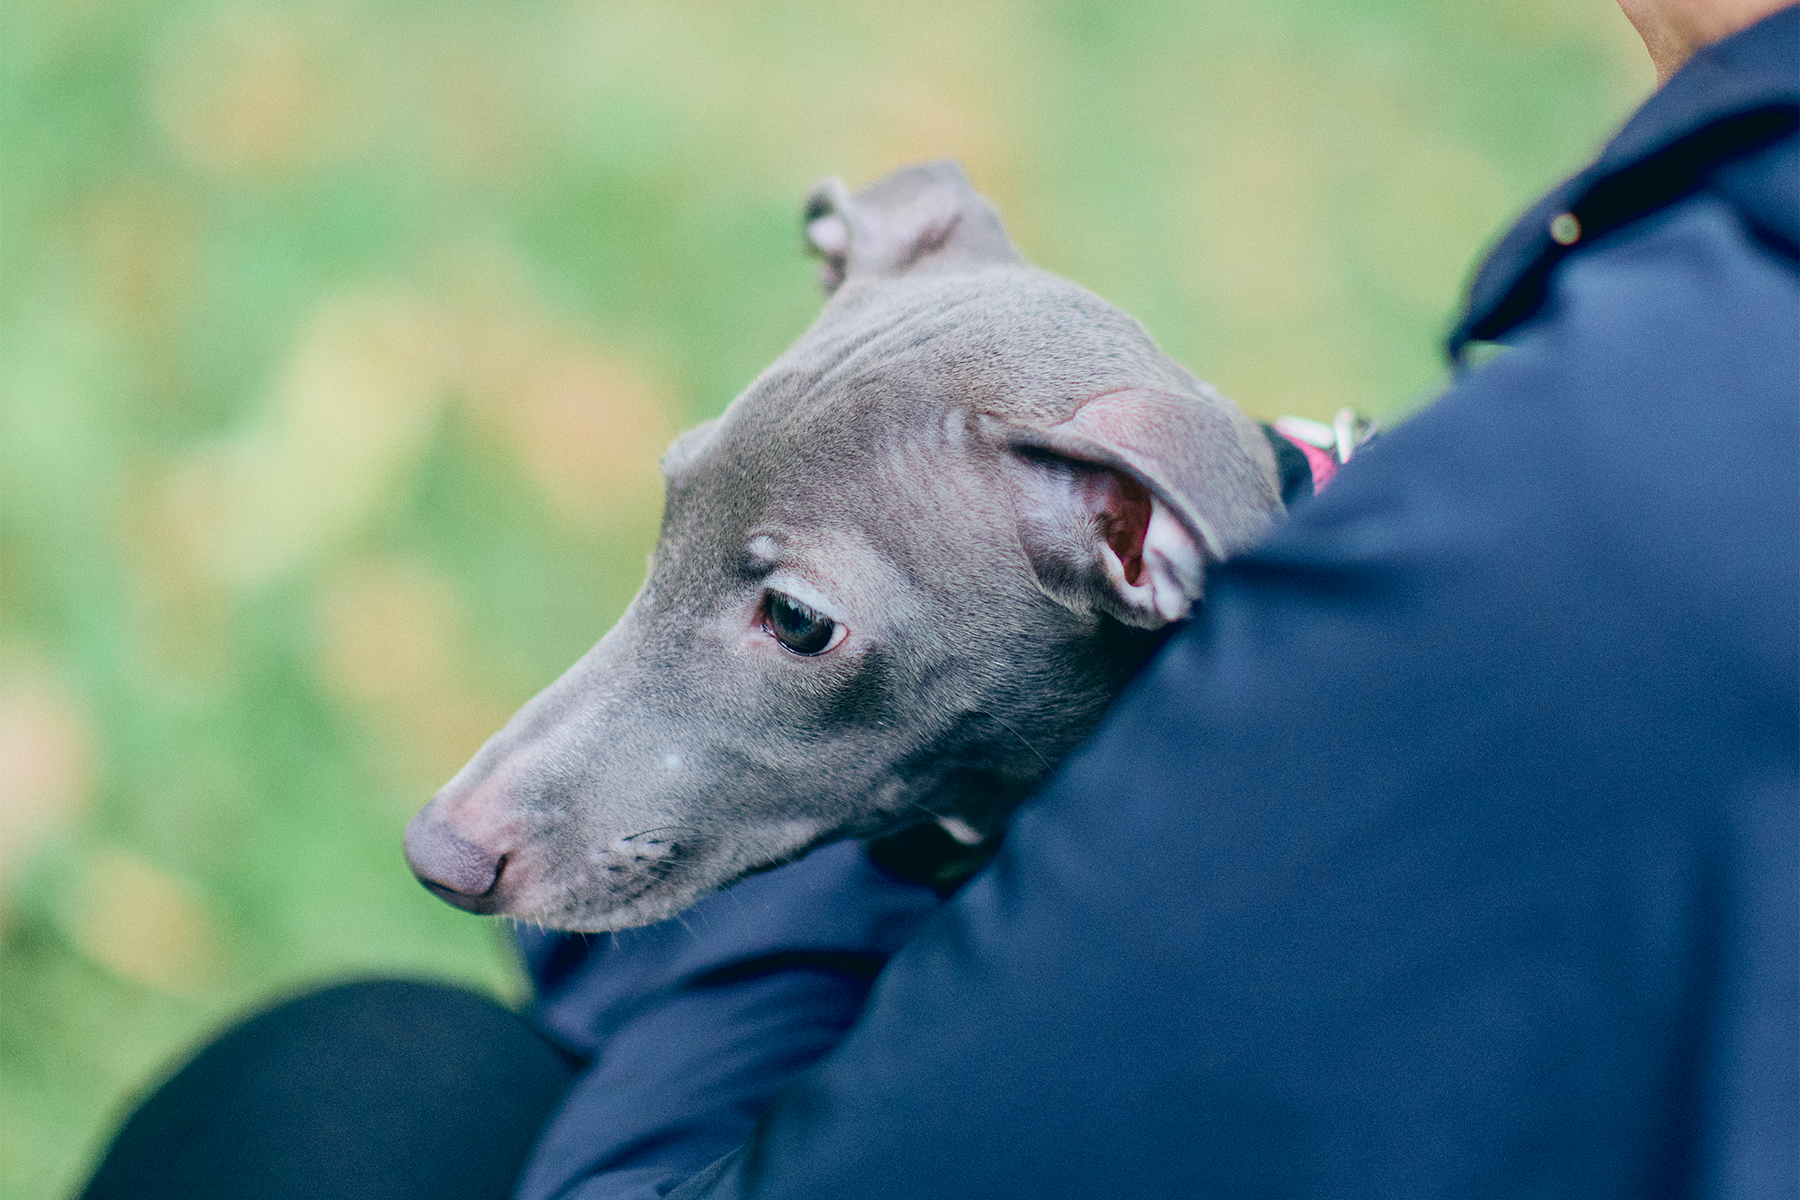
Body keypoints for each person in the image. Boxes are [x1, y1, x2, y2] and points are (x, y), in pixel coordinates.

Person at [81, 2, 1796, 1197]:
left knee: (345, 1112)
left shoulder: (1609, 512)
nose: (461, 823)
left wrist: (928, 841)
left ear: (1148, 543)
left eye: (799, 622)